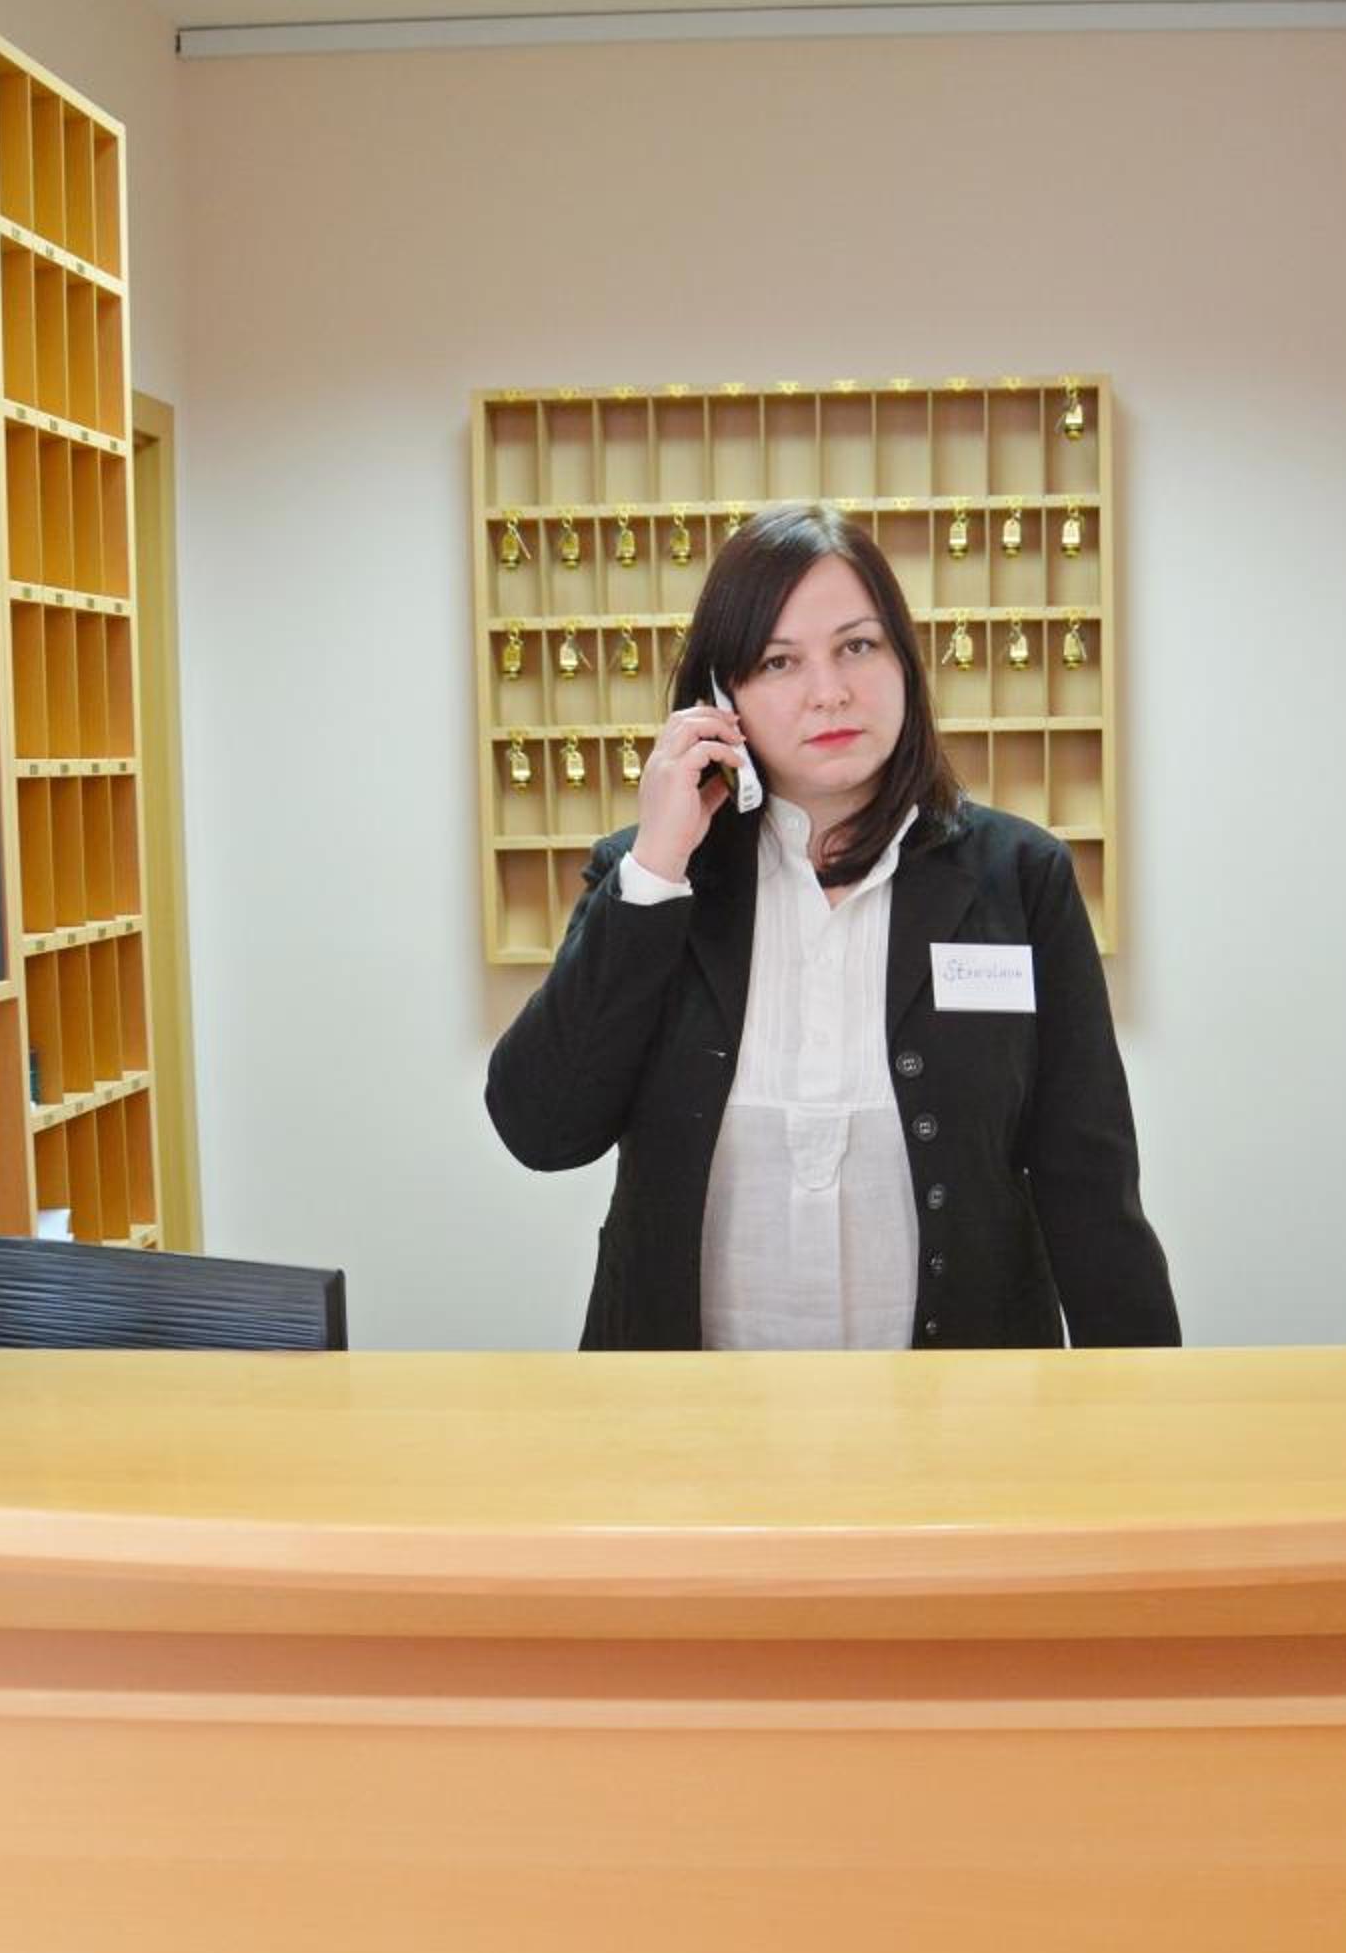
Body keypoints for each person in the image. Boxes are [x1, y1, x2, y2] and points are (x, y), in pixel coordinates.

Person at [486, 501, 1178, 1351]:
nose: (830, 692)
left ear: (904, 662)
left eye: (858, 646)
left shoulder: (1021, 878)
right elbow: (542, 1130)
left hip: (967, 1408)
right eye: (778, 661)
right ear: (721, 697)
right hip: (685, 1414)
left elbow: (1088, 1181)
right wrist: (658, 866)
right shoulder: (650, 880)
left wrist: (1145, 1402)